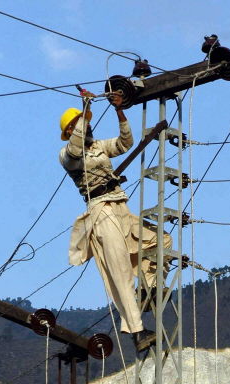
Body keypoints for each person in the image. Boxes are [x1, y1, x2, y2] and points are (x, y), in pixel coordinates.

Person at [59, 91, 171, 353]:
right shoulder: (67, 154)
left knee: (161, 239)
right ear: (71, 130)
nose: (86, 127)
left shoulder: (97, 146)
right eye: (79, 124)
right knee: (119, 270)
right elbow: (75, 148)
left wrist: (120, 111)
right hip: (101, 212)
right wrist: (86, 108)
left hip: (120, 206)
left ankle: (149, 289)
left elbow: (124, 143)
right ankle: (137, 332)